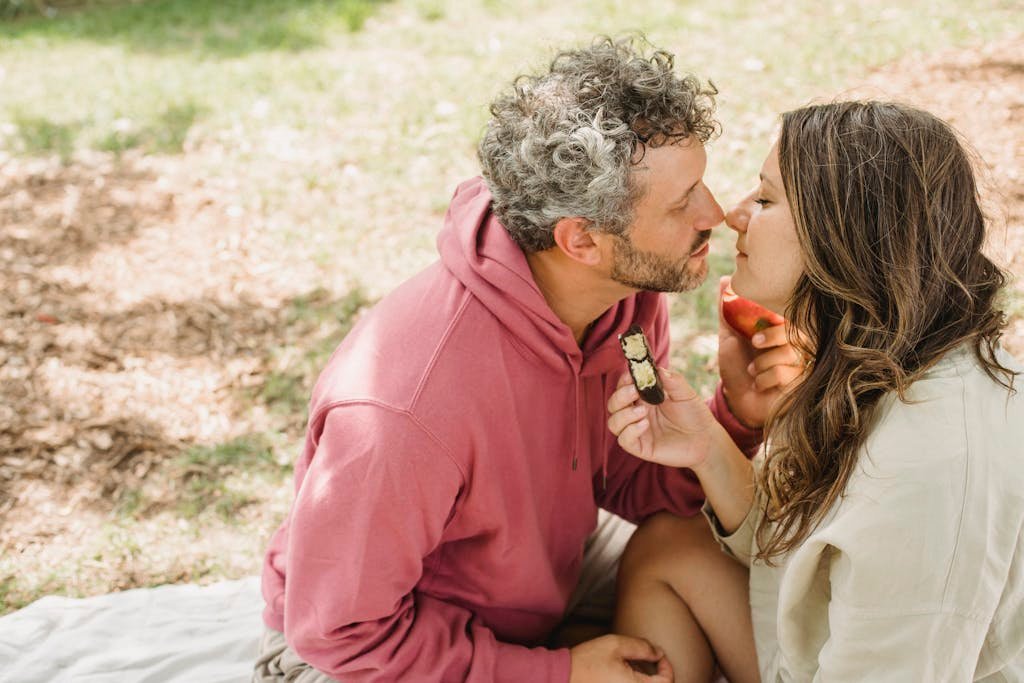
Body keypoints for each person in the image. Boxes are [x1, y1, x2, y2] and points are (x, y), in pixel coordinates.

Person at [252, 37, 805, 683]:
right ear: (582, 240)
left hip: (537, 592)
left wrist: (732, 415)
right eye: (683, 202)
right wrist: (559, 671)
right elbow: (341, 633)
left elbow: (634, 484)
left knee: (694, 549)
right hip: (359, 658)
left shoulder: (622, 299)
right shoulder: (403, 405)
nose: (718, 213)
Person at [608, 100, 1024, 682]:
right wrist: (706, 443)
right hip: (823, 643)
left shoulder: (929, 466)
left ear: (847, 238)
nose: (733, 215)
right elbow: (801, 550)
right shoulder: (876, 360)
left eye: (766, 200)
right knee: (669, 546)